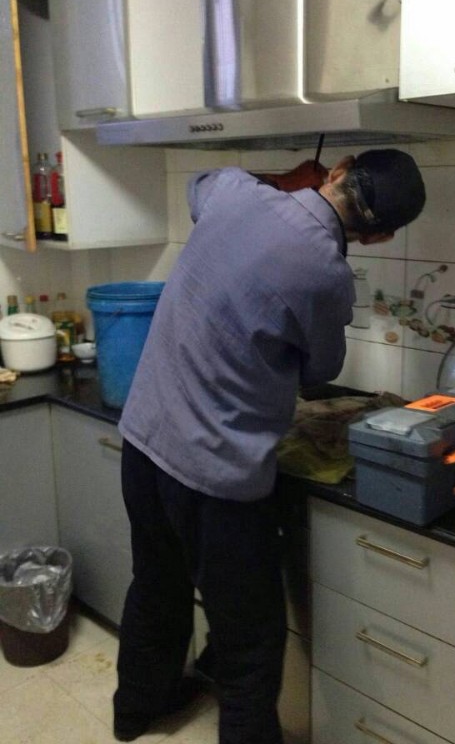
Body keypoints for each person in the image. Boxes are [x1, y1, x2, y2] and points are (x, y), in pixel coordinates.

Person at [112, 148, 426, 743]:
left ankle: (134, 713)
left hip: (145, 441)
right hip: (216, 477)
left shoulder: (235, 192)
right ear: (380, 236)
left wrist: (281, 185)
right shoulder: (328, 274)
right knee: (249, 641)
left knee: (155, 585)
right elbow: (319, 370)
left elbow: (198, 187)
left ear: (337, 169)